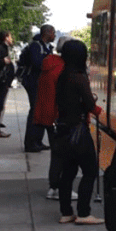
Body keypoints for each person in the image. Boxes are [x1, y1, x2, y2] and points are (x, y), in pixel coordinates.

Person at [53, 39, 103, 225]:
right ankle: (83, 212)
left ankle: (66, 212)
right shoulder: (79, 77)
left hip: (63, 131)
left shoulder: (63, 75)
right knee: (90, 171)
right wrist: (96, 109)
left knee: (68, 173)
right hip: (78, 132)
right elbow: (90, 104)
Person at [34, 36, 77, 202]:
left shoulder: (49, 64)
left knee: (57, 154)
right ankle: (59, 188)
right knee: (64, 155)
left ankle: (54, 187)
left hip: (48, 116)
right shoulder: (63, 69)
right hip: (59, 117)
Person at [20, 24, 55, 152]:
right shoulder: (36, 46)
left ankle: (38, 140)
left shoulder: (46, 47)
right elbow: (37, 63)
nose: (54, 36)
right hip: (33, 82)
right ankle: (30, 143)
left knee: (40, 110)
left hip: (41, 83)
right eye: (53, 33)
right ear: (48, 33)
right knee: (35, 111)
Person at [0, 30, 14, 138]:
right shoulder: (1, 48)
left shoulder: (4, 47)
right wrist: (4, 61)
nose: (11, 39)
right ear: (6, 37)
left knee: (0, 105)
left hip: (4, 81)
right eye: (10, 37)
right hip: (2, 81)